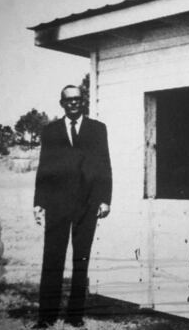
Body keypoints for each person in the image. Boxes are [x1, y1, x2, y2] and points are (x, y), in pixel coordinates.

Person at [33, 85, 112, 328]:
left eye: (78, 99)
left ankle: (75, 315)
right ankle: (46, 317)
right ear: (62, 103)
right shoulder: (51, 131)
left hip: (87, 205)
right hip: (57, 205)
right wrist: (39, 203)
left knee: (81, 259)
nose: (74, 104)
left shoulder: (97, 129)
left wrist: (105, 199)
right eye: (69, 100)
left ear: (83, 102)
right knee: (52, 259)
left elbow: (104, 165)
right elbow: (44, 168)